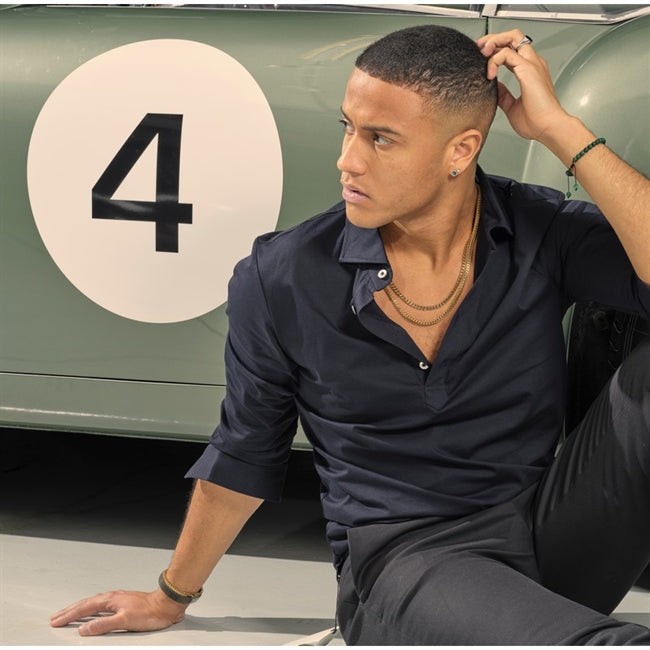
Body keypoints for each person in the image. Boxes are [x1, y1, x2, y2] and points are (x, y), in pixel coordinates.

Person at [50, 25, 650, 644]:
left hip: (548, 535)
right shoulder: (285, 275)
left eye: (381, 138)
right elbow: (244, 452)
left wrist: (560, 130)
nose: (348, 160)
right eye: (348, 128)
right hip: (411, 562)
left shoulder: (538, 228)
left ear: (461, 149)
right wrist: (170, 595)